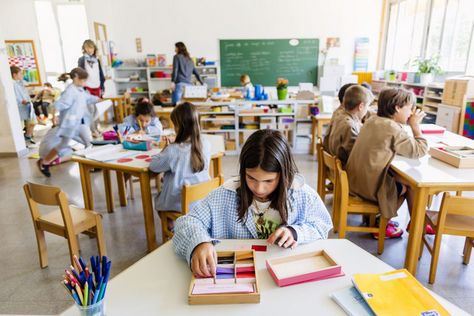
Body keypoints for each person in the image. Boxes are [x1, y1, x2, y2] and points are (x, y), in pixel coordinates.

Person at [173, 129, 332, 277]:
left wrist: (296, 232)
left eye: (269, 180)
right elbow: (187, 222)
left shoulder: (301, 193)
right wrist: (199, 243)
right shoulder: (225, 194)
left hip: (284, 272)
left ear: (284, 175)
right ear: (243, 172)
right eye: (251, 178)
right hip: (239, 273)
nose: (259, 188)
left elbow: (322, 225)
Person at [346, 88, 430, 238]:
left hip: (355, 180)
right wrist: (415, 126)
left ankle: (417, 222)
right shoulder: (392, 128)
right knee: (409, 187)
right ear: (397, 108)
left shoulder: (373, 120)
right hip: (368, 187)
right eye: (409, 108)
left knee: (407, 183)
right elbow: (419, 150)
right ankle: (385, 225)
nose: (411, 113)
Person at [149, 102, 211, 230]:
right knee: (171, 179)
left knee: (158, 200)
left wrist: (165, 149)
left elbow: (153, 166)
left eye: (175, 125)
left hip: (180, 203)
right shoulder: (206, 143)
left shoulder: (173, 150)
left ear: (179, 127)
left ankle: (172, 230)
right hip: (203, 200)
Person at [37, 68, 100, 177]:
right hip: (70, 123)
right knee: (63, 144)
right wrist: (54, 116)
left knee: (88, 143)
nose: (84, 83)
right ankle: (45, 162)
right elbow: (59, 104)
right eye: (83, 80)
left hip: (80, 122)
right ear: (76, 78)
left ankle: (92, 165)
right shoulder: (70, 91)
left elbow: (87, 98)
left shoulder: (80, 90)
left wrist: (97, 98)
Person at [324, 85, 373, 166]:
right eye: (367, 106)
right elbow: (355, 155)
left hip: (336, 164)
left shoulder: (340, 116)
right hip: (344, 169)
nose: (367, 110)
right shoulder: (350, 126)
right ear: (361, 106)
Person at [78, 39, 105, 137]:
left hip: (97, 87)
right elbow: (80, 74)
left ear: (94, 48)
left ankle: (96, 128)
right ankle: (93, 131)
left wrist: (102, 88)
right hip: (87, 88)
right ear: (84, 49)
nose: (89, 50)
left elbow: (101, 75)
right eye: (87, 47)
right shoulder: (82, 60)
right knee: (91, 110)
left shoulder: (97, 60)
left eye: (91, 47)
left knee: (97, 109)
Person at [11, 66, 36, 144]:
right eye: (20, 73)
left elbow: (26, 86)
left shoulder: (19, 82)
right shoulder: (12, 84)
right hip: (20, 106)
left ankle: (28, 136)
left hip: (26, 105)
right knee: (22, 125)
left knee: (32, 122)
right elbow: (15, 96)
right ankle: (25, 139)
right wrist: (22, 101)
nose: (21, 75)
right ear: (14, 74)